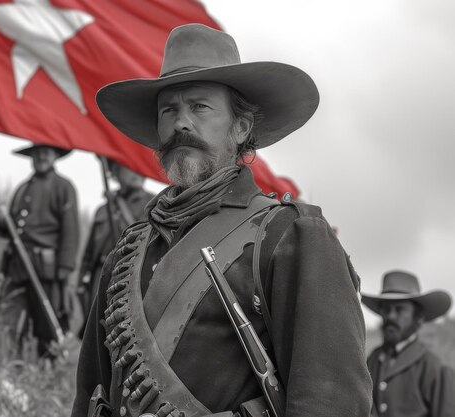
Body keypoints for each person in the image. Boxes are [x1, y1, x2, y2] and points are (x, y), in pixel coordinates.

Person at [72, 24, 371, 417]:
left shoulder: (290, 236)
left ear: (241, 127)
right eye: (169, 110)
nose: (181, 123)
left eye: (199, 107)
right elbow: (92, 393)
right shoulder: (128, 251)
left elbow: (331, 401)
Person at [0, 144, 79, 357]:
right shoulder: (23, 188)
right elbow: (11, 230)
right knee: (12, 322)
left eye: (47, 152)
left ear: (55, 156)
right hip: (17, 268)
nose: (41, 157)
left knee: (48, 329)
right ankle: (11, 369)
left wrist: (64, 270)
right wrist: (2, 221)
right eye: (37, 153)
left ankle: (45, 376)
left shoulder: (64, 187)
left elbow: (70, 231)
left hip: (46, 272)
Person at [363, 271, 455, 417]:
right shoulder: (373, 360)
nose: (391, 316)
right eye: (386, 310)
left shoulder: (434, 367)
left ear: (418, 318)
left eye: (399, 310)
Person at [77, 161, 155, 335]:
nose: (137, 172)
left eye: (139, 166)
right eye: (129, 165)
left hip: (132, 275)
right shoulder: (103, 210)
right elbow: (90, 252)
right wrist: (81, 281)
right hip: (100, 275)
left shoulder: (154, 204)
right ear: (115, 171)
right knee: (97, 331)